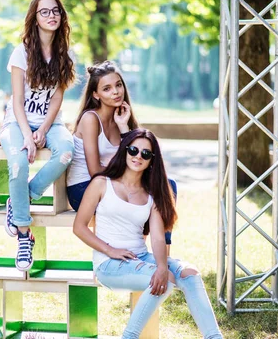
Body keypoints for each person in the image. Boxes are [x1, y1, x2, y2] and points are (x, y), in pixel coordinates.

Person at [73, 129, 223, 339]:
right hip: (108, 263)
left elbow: (158, 237)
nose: (138, 156)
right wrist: (110, 250)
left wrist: (162, 266)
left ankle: (215, 337)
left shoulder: (152, 194)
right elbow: (79, 227)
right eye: (134, 150)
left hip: (139, 257)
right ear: (125, 151)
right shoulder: (101, 183)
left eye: (145, 154)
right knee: (165, 280)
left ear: (152, 160)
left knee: (190, 274)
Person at [1, 0, 76, 271]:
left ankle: (23, 196)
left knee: (67, 151)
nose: (51, 15)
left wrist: (44, 129)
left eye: (55, 10)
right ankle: (23, 233)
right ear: (35, 17)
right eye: (44, 11)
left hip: (50, 122)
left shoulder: (63, 54)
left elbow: (56, 98)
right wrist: (28, 137)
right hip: (17, 121)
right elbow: (17, 101)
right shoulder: (21, 52)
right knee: (19, 162)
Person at [66, 61, 138, 211]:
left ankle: (161, 236)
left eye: (118, 85)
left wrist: (124, 127)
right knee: (139, 196)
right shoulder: (90, 119)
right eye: (107, 89)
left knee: (167, 185)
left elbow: (134, 159)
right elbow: (95, 171)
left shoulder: (123, 118)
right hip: (83, 188)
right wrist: (127, 177)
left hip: (110, 184)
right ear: (96, 95)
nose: (116, 92)